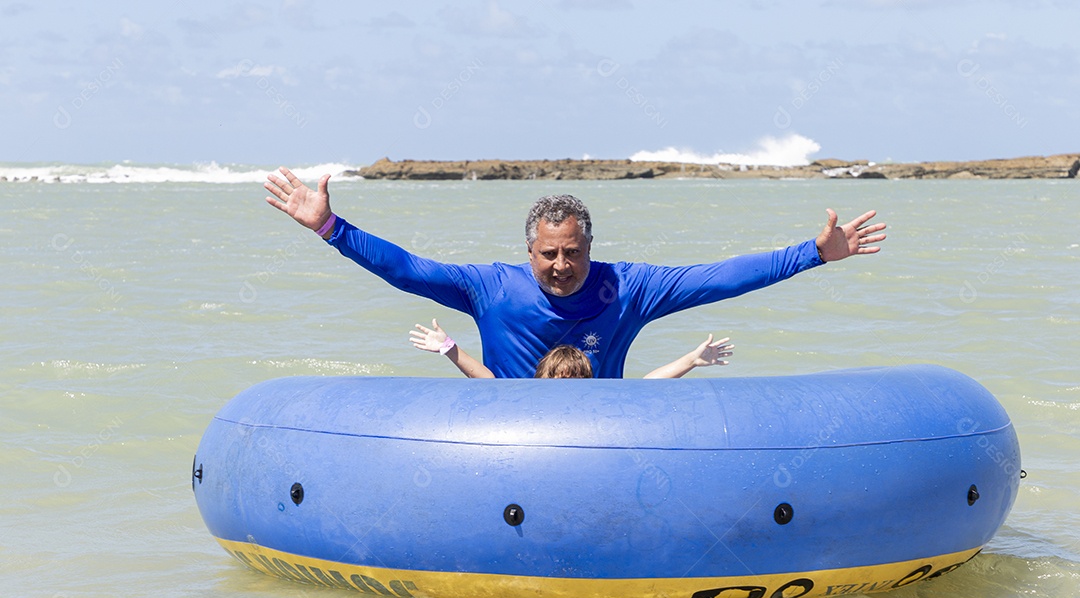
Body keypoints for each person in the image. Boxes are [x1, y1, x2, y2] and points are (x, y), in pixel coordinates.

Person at [264, 167, 884, 378]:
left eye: (573, 253)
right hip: (513, 442)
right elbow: (406, 269)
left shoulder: (627, 287)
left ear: (589, 247)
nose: (561, 266)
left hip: (599, 440)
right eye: (548, 254)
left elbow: (720, 277)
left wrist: (813, 253)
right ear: (529, 249)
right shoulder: (491, 288)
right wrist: (330, 227)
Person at [409, 318, 734, 379]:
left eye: (575, 379)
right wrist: (447, 347)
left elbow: (649, 385)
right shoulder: (530, 398)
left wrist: (692, 360)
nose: (567, 386)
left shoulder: (596, 401)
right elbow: (485, 379)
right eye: (560, 379)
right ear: (542, 378)